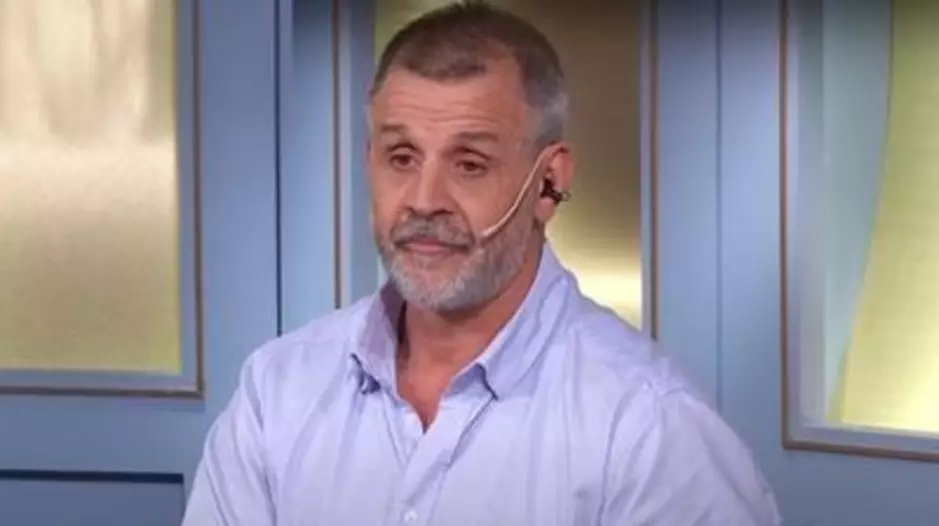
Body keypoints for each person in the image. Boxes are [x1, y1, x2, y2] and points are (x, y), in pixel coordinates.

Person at [181, 2, 781, 525]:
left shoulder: (653, 431)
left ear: (548, 182)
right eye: (401, 157)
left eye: (469, 163)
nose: (424, 201)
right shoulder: (276, 391)